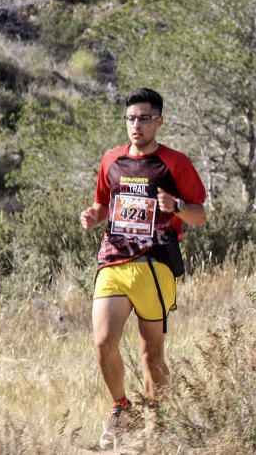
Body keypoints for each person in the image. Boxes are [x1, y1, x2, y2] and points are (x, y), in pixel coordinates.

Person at [80, 88, 207, 449]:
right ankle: (121, 408)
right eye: (131, 118)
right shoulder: (111, 160)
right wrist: (94, 216)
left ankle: (157, 426)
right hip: (114, 261)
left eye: (144, 118)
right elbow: (104, 204)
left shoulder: (174, 163)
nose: (136, 125)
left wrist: (177, 205)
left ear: (159, 121)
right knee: (103, 342)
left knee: (151, 354)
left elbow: (200, 214)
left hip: (155, 265)